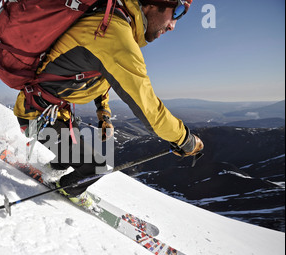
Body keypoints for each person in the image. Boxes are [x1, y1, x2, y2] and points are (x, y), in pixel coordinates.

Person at [13, 0, 204, 207]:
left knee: (74, 154)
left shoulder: (111, 21)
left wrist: (103, 115)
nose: (172, 25)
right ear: (152, 3)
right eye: (177, 11)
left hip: (49, 112)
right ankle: (66, 192)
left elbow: (98, 80)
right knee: (96, 167)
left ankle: (50, 170)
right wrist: (185, 139)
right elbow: (148, 108)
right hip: (36, 116)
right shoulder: (115, 34)